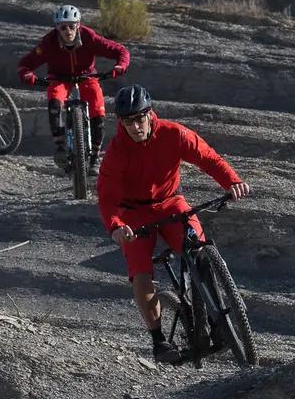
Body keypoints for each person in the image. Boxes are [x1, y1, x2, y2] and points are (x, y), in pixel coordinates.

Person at [96, 84, 251, 363]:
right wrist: (116, 226)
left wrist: (232, 181)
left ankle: (218, 321)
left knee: (201, 251)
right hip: (135, 215)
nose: (134, 126)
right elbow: (107, 198)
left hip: (171, 203)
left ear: (150, 113)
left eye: (139, 118)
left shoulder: (174, 133)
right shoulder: (117, 152)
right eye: (127, 121)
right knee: (141, 274)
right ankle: (158, 342)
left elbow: (208, 158)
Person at [16, 4, 130, 172]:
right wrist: (28, 76)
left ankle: (95, 157)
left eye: (71, 26)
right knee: (55, 104)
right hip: (58, 78)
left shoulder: (89, 37)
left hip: (87, 77)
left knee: (98, 111)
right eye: (63, 27)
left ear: (78, 24)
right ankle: (61, 147)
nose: (67, 30)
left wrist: (120, 66)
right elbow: (25, 64)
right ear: (57, 27)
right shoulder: (48, 43)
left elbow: (120, 50)